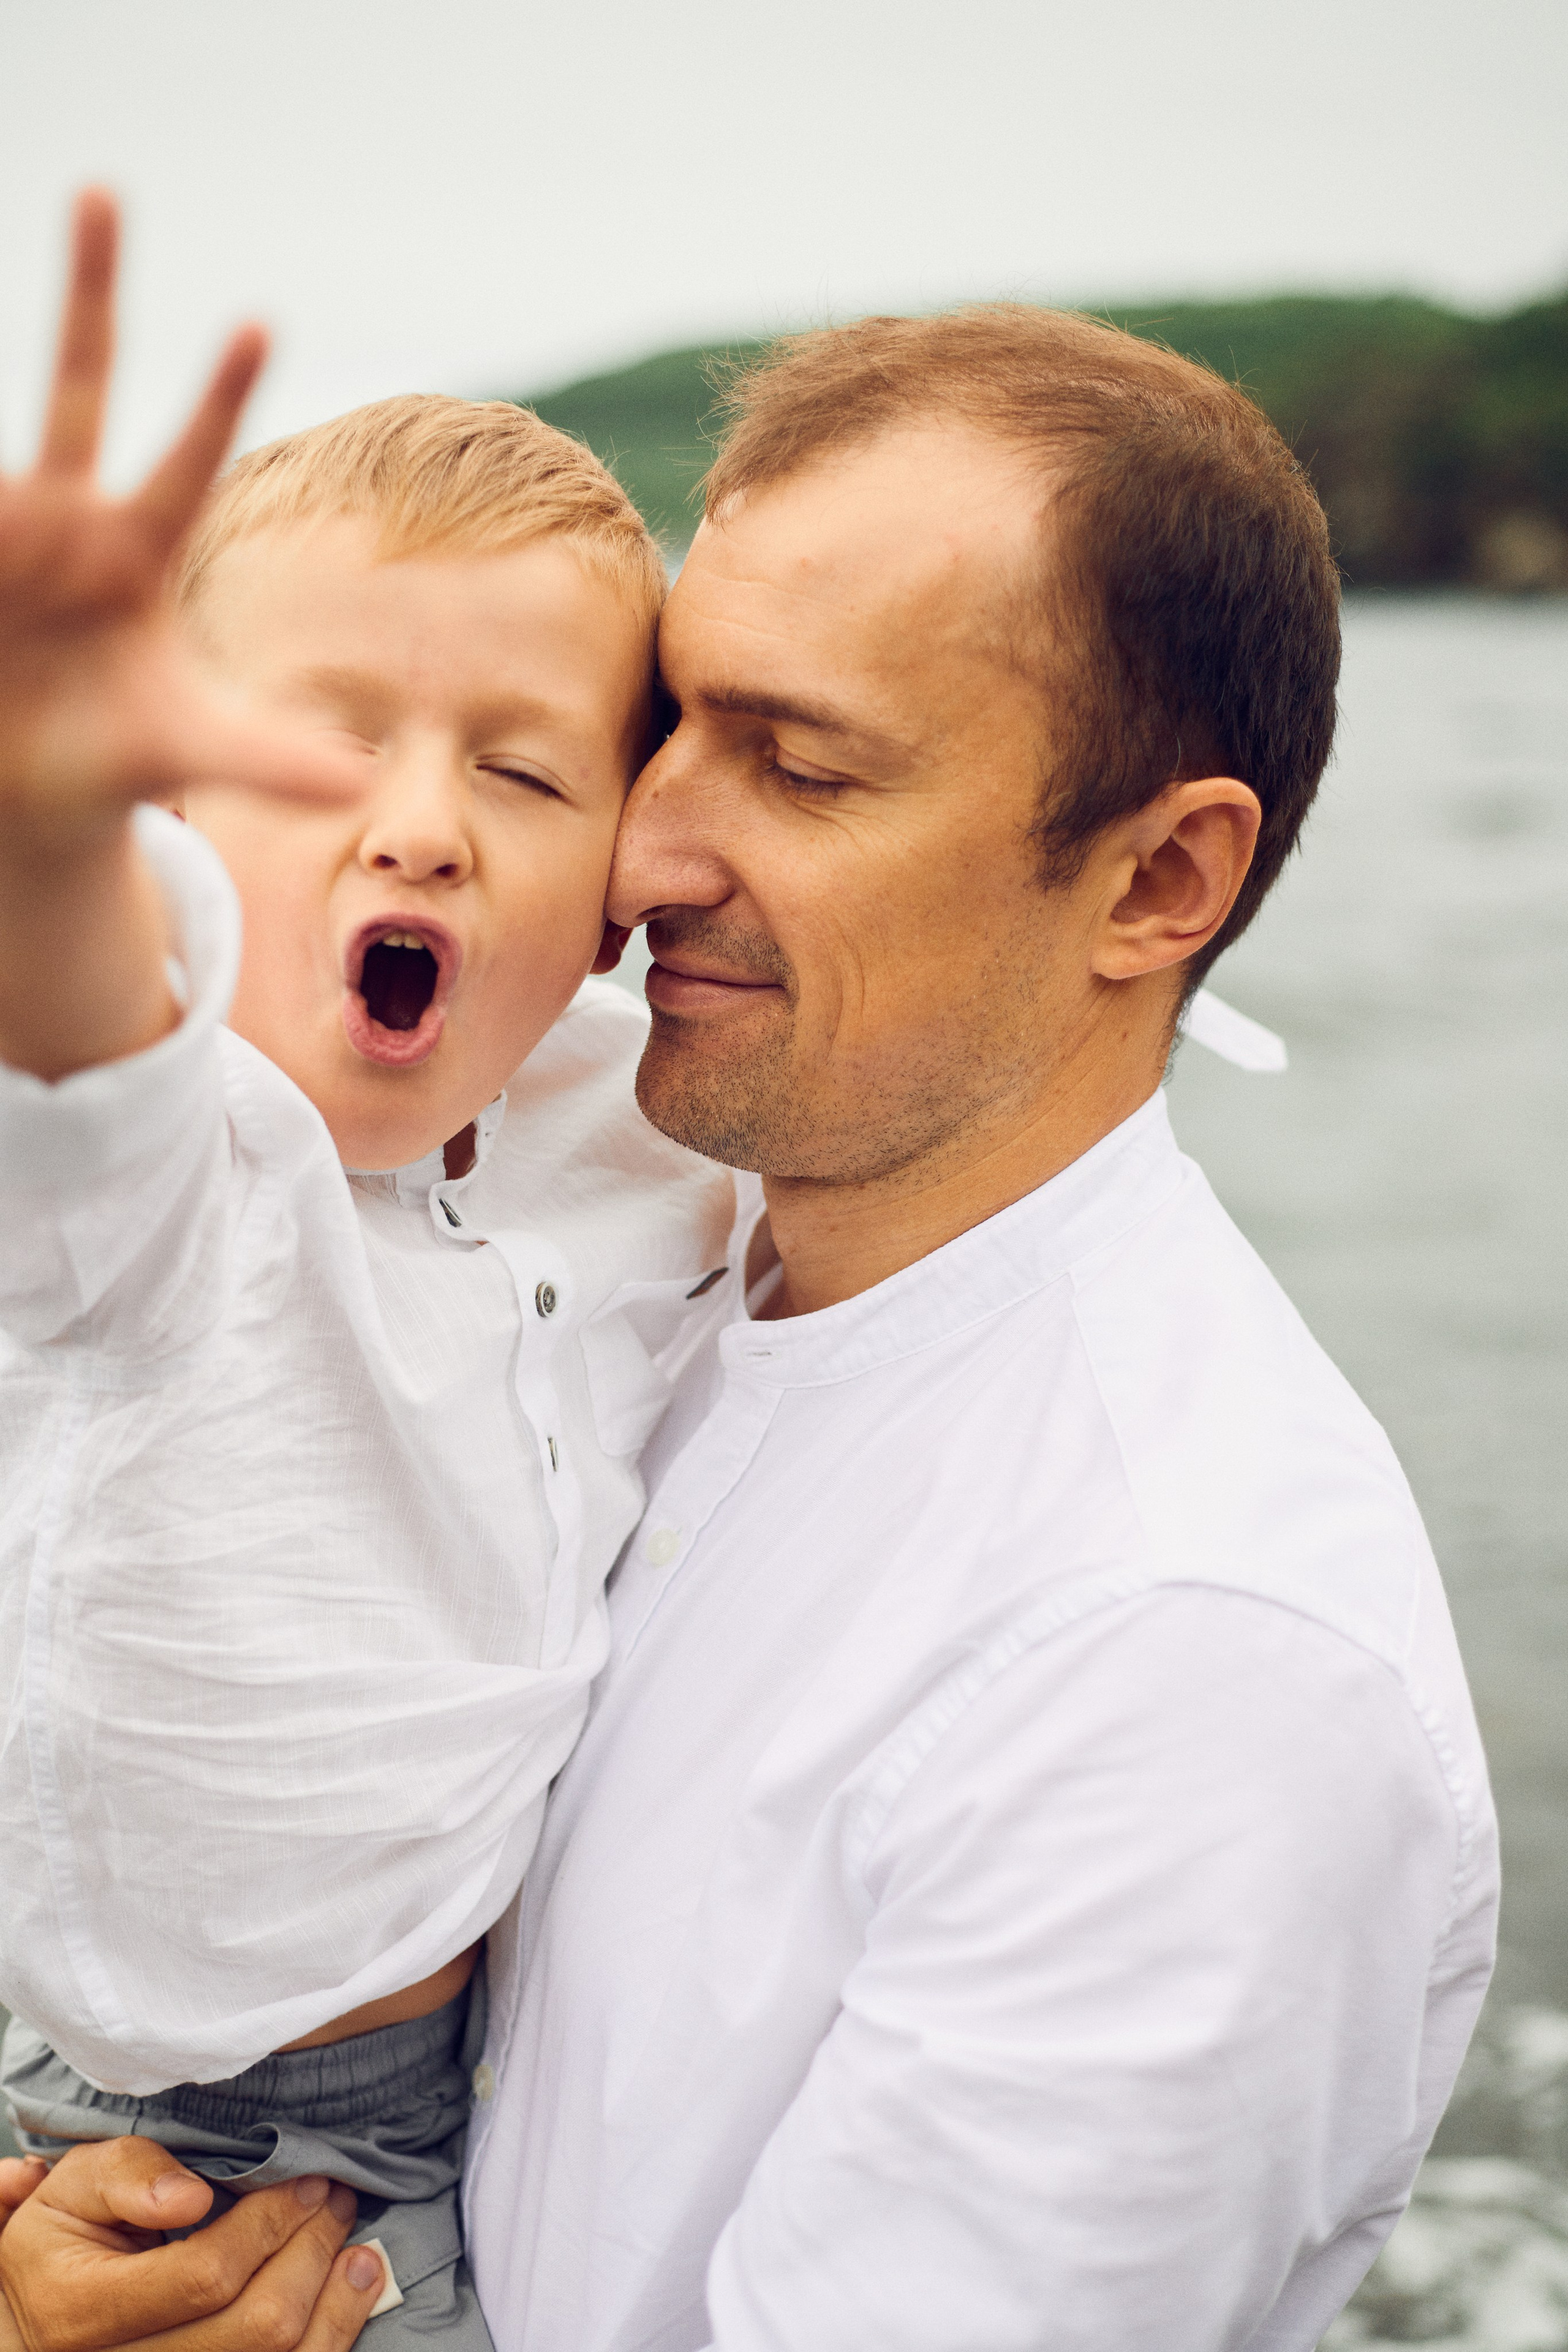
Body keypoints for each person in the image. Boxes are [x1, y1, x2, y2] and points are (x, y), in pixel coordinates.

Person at [0, 307, 1498, 2352]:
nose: (642, 850)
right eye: (668, 726)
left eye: (799, 763)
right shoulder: (614, 1204)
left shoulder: (1188, 1670)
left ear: (1159, 881)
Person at [0, 194, 732, 2343]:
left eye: (519, 770)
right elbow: (77, 1063)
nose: (416, 823)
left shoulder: (629, 1121)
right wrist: (47, 827)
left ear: (611, 891)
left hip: (491, 2073)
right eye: (315, 753)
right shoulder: (171, 1183)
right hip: (181, 2138)